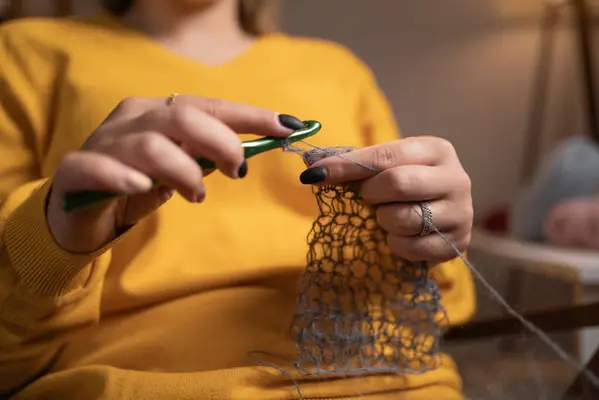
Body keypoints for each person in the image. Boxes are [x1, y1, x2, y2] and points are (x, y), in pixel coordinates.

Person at [0, 0, 475, 398]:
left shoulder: (339, 69)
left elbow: (441, 302)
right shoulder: (25, 52)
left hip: (381, 381)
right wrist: (58, 232)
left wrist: (433, 227)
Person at [511, 135, 599, 249]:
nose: (573, 233)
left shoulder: (531, 230)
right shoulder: (575, 166)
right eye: (593, 226)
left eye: (580, 245)